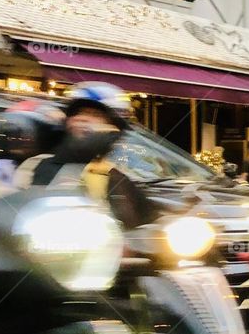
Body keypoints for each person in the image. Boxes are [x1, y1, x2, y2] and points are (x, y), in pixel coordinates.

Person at [17, 83, 156, 230]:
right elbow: (13, 211)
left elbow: (146, 228)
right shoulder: (37, 165)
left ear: (113, 127)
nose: (82, 119)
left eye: (95, 115)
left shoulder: (118, 178)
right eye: (78, 113)